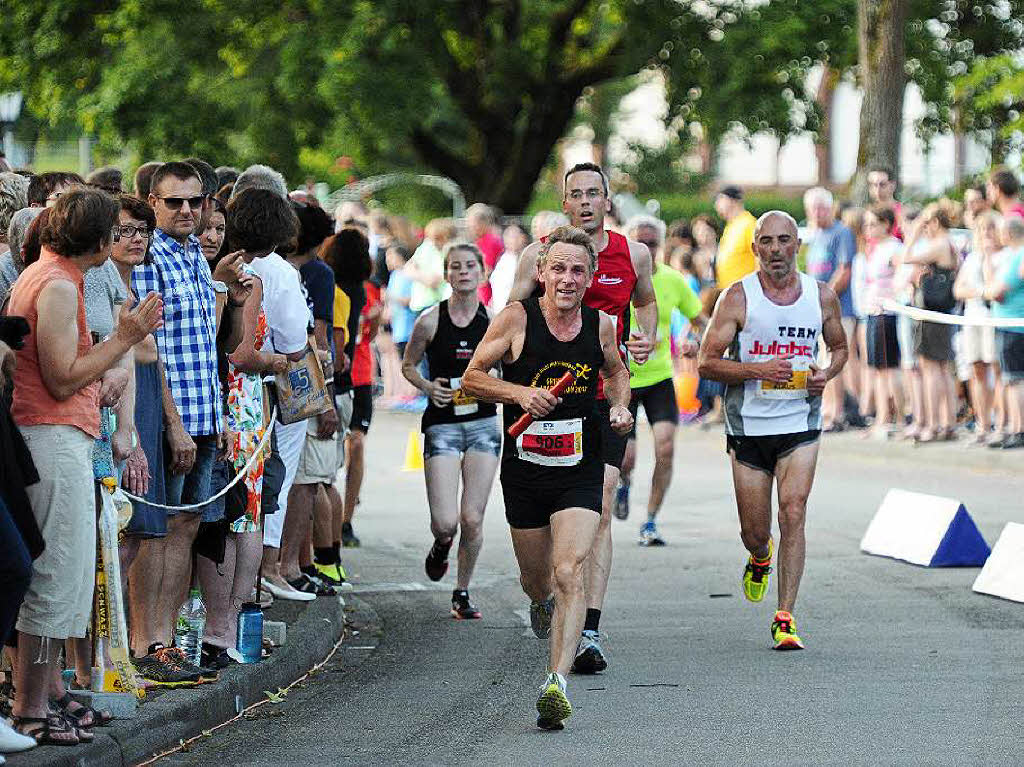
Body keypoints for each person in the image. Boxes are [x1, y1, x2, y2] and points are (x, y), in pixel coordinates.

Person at [462, 225, 633, 730]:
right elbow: (472, 378)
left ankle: (555, 684)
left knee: (569, 572)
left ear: (591, 276)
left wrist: (619, 406)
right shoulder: (516, 319)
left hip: (581, 465)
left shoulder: (601, 325)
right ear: (541, 273)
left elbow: (616, 371)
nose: (567, 278)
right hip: (526, 472)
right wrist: (519, 395)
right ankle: (538, 602)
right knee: (539, 579)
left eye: (578, 270)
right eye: (558, 268)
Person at [9, 189, 163, 745]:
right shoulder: (52, 284)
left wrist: (111, 361)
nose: (123, 239)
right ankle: (29, 707)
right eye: (115, 230)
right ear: (97, 238)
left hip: (64, 433)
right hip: (49, 436)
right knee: (56, 573)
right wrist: (124, 338)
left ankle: (47, 694)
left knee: (71, 572)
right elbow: (60, 377)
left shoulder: (59, 278)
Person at [507, 162, 656, 675]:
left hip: (605, 399)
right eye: (578, 194)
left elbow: (648, 302)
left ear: (608, 199)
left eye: (596, 193)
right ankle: (551, 593)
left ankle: (589, 626)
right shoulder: (536, 254)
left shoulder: (634, 252)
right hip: (547, 406)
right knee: (544, 545)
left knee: (602, 495)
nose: (587, 202)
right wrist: (520, 389)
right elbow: (512, 320)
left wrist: (648, 336)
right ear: (565, 200)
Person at [697, 211, 847, 651]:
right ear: (755, 247)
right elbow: (706, 362)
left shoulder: (821, 297)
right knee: (755, 530)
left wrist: (827, 374)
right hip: (749, 426)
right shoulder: (737, 298)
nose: (776, 249)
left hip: (800, 421)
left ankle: (785, 617)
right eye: (767, 241)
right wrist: (756, 369)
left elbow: (839, 348)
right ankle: (760, 557)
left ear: (796, 244)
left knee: (794, 512)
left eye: (785, 240)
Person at [130, 161, 243, 665]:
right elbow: (149, 349)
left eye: (194, 201)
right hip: (170, 419)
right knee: (156, 530)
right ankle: (145, 641)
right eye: (174, 201)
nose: (186, 210)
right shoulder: (150, 256)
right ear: (152, 203)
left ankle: (166, 640)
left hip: (205, 414)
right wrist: (173, 425)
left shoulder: (194, 255)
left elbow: (201, 341)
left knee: (186, 528)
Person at [402, 242, 500, 620]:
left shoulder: (493, 323)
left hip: (483, 425)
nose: (463, 272)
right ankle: (442, 544)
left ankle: (462, 591)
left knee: (472, 518)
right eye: (455, 267)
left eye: (470, 266)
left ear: (482, 273)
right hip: (442, 425)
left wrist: (497, 383)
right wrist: (428, 387)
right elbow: (408, 365)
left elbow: (510, 366)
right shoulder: (430, 320)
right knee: (446, 522)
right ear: (446, 275)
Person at [615, 215, 705, 546]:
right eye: (639, 242)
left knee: (665, 447)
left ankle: (650, 520)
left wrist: (693, 339)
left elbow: (701, 320)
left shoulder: (672, 280)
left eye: (652, 243)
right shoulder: (616, 281)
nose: (646, 249)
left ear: (661, 245)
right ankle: (624, 482)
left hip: (660, 377)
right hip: (623, 378)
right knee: (627, 458)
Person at [280, 201, 342, 595]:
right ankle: (292, 563)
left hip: (304, 385)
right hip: (298, 383)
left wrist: (325, 399)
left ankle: (292, 562)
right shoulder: (298, 270)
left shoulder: (316, 273)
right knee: (299, 480)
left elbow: (320, 337)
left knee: (305, 480)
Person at [321, 230, 372, 550]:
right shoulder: (363, 291)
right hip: (359, 374)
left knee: (336, 458)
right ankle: (346, 519)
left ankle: (339, 525)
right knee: (355, 445)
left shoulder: (334, 289)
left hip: (349, 375)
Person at [897, 204, 959, 442]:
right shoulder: (951, 243)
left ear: (934, 223)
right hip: (942, 311)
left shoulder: (940, 243)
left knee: (931, 368)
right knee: (942, 368)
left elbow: (906, 257)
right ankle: (948, 422)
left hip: (932, 312)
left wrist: (912, 235)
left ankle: (933, 424)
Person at [802, 187, 859, 431]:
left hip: (838, 310)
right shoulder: (815, 236)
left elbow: (844, 269)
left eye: (821, 207)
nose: (817, 213)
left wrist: (826, 298)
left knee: (834, 359)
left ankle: (838, 412)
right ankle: (826, 408)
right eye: (812, 208)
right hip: (818, 309)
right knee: (822, 359)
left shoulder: (841, 233)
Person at [954, 211, 1000, 444]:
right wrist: (979, 292)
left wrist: (990, 258)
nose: (986, 234)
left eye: (990, 229)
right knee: (976, 371)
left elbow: (996, 289)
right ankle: (983, 422)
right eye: (982, 230)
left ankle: (999, 422)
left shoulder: (1002, 257)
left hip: (993, 320)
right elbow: (958, 289)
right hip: (972, 319)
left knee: (997, 371)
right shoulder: (972, 258)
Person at [861, 206, 905, 439]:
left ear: (886, 224)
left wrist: (892, 298)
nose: (868, 229)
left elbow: (902, 277)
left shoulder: (894, 248)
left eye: (872, 224)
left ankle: (898, 418)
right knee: (877, 369)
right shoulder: (875, 249)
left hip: (886, 314)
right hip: (873, 311)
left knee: (890, 369)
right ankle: (882, 417)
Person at [985, 214, 1024, 449]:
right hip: (1003, 325)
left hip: (1014, 327)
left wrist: (985, 291)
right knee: (1009, 380)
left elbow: (997, 291)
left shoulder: (1019, 256)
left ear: (1009, 233)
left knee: (1015, 379)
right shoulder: (1010, 256)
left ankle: (1020, 429)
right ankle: (1014, 426)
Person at [714, 185, 757, 290]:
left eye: (719, 199)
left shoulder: (748, 224)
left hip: (745, 291)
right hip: (729, 291)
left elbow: (759, 257)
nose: (716, 205)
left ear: (731, 200)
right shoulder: (730, 226)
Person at [466, 203, 503, 304]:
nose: (468, 226)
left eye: (470, 223)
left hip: (487, 299)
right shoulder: (482, 241)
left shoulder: (490, 241)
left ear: (481, 223)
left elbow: (485, 272)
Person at [867, 166, 904, 238]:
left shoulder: (902, 213)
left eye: (882, 184)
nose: (877, 189)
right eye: (873, 185)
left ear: (893, 186)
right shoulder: (867, 214)